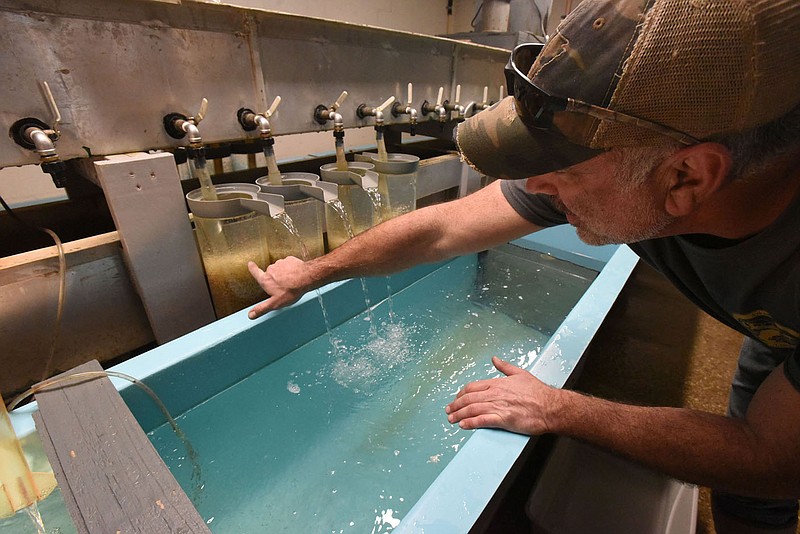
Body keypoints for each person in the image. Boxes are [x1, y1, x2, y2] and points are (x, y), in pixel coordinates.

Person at [247, 0, 800, 531]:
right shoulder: (639, 183)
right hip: (769, 326)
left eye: (563, 167)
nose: (536, 186)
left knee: (760, 484)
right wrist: (316, 271)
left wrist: (561, 409)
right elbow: (442, 230)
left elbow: (769, 456)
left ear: (688, 178)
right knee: (747, 496)